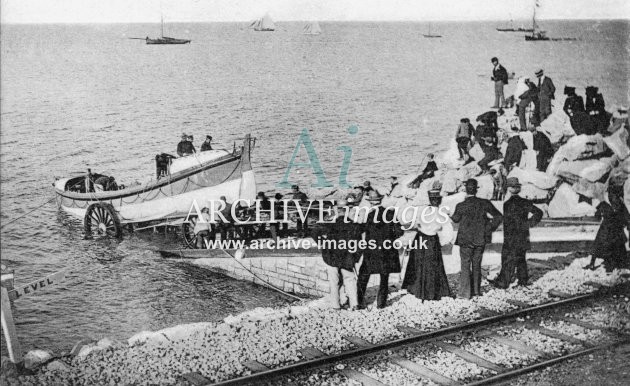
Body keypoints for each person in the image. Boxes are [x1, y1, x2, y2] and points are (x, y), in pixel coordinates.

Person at [451, 179, 503, 299]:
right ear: (476, 189)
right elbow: (499, 216)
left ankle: (464, 293)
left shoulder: (461, 205)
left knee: (465, 265)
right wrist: (489, 228)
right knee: (477, 264)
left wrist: (448, 214)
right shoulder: (484, 203)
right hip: (480, 238)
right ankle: (476, 291)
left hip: (465, 240)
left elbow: (456, 219)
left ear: (465, 189)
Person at [489, 177, 543, 289]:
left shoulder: (507, 204)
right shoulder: (525, 202)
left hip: (511, 237)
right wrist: (529, 223)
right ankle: (523, 280)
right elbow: (539, 212)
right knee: (521, 259)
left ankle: (504, 282)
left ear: (509, 189)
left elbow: (508, 223)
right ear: (519, 188)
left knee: (508, 259)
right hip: (523, 235)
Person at [311, 199, 362, 310]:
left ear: (336, 211)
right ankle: (355, 304)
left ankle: (336, 306)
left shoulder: (330, 225)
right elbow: (360, 244)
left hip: (331, 257)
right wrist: (355, 257)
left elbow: (314, 232)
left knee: (334, 282)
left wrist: (324, 246)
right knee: (350, 280)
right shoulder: (355, 226)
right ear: (348, 210)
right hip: (347, 258)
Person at [356, 190, 404, 309]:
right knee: (384, 277)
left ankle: (359, 301)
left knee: (364, 275)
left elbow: (362, 230)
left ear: (371, 203)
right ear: (380, 200)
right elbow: (399, 231)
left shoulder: (370, 214)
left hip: (372, 250)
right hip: (387, 250)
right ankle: (381, 304)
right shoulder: (390, 213)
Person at [402, 190, 452, 300]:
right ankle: (431, 292)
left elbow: (415, 224)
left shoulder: (423, 211)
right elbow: (448, 232)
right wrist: (442, 243)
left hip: (420, 238)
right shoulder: (442, 214)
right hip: (432, 240)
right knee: (432, 266)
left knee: (418, 264)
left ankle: (416, 289)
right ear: (439, 201)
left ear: (430, 200)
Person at [585, 187, 629, 272]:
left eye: (612, 195)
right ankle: (593, 264)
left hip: (613, 229)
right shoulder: (608, 204)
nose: (611, 196)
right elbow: (597, 215)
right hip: (608, 229)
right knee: (600, 246)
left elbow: (626, 217)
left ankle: (611, 266)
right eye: (610, 195)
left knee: (610, 248)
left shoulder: (615, 204)